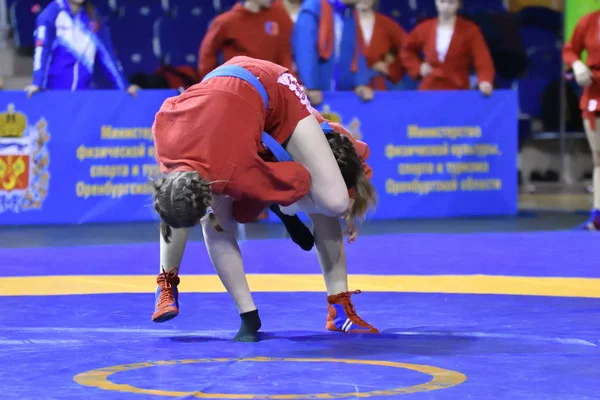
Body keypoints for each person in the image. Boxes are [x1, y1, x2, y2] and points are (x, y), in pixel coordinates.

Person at [151, 56, 378, 341]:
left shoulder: (234, 168)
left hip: (271, 87)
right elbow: (175, 200)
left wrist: (289, 201)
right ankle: (172, 283)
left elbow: (296, 179)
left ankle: (339, 307)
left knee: (333, 202)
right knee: (186, 200)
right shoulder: (164, 134)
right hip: (226, 104)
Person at [27, 0, 138, 97]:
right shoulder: (51, 14)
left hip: (84, 94)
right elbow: (42, 50)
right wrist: (38, 82)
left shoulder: (93, 16)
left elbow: (107, 54)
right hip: (55, 93)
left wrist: (124, 85)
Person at [400, 0, 494, 96]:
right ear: (436, 2)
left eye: (451, 2)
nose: (446, 7)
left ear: (458, 4)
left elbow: (482, 59)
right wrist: (418, 67)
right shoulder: (425, 28)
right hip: (429, 88)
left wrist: (485, 80)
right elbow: (406, 50)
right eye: (442, 2)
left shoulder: (470, 30)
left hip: (458, 89)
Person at [292, 0, 374, 106]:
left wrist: (360, 83)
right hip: (315, 94)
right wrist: (311, 86)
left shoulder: (349, 11)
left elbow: (356, 49)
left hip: (341, 94)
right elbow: (305, 49)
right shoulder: (313, 7)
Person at [563, 9, 600, 230]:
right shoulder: (589, 21)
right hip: (594, 95)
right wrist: (577, 64)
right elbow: (570, 50)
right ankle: (597, 215)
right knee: (599, 159)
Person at [198, 0, 294, 80]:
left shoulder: (279, 14)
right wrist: (211, 82)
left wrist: (291, 82)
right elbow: (207, 54)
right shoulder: (226, 21)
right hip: (239, 85)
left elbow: (285, 53)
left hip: (272, 85)